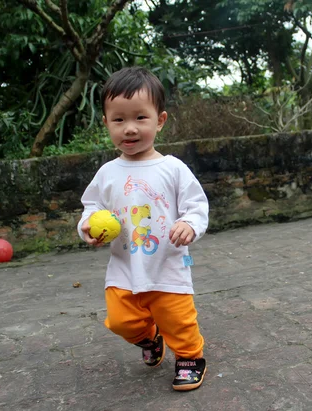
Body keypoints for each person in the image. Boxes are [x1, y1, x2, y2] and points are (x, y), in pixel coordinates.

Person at [77, 67, 209, 391]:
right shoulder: (107, 173)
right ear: (106, 123)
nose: (130, 129)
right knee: (121, 321)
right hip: (124, 266)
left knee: (178, 321)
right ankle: (149, 339)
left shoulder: (172, 168)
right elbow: (91, 207)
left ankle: (190, 357)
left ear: (160, 120)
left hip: (167, 263)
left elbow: (197, 205)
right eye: (119, 120)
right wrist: (88, 227)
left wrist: (189, 224)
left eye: (140, 118)